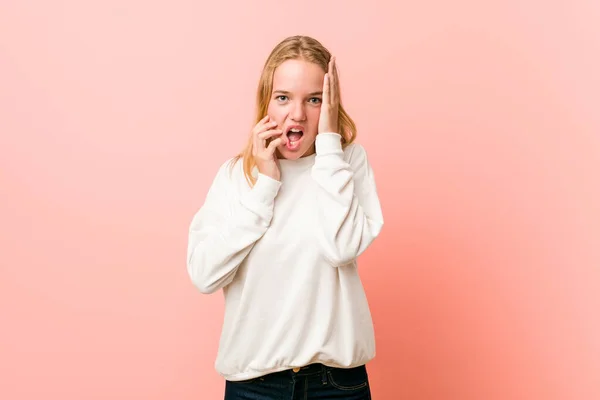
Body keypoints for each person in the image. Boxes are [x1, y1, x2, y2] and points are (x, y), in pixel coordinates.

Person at [186, 35, 384, 399]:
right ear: (266, 101)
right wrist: (264, 186)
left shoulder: (346, 162)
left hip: (337, 385)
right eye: (283, 98)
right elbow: (204, 274)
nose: (297, 114)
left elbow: (340, 248)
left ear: (331, 105)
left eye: (314, 99)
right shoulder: (236, 176)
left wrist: (328, 146)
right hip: (255, 386)